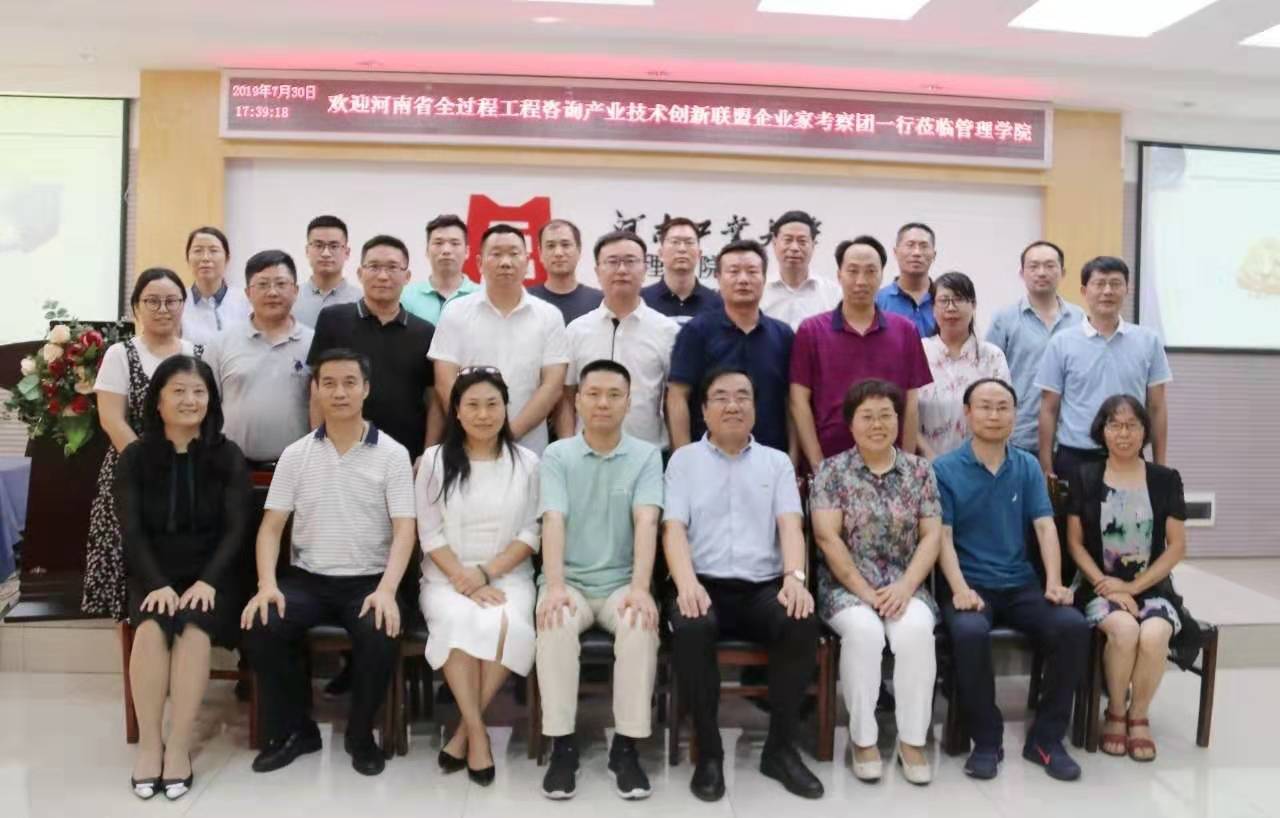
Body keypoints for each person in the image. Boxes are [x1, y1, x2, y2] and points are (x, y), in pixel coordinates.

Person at [241, 349, 416, 777]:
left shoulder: (392, 454)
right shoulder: (296, 454)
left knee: (381, 629)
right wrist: (267, 585)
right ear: (316, 390)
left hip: (369, 581)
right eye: (330, 383)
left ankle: (360, 735)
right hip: (308, 580)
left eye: (350, 383)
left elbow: (405, 530)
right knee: (263, 624)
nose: (340, 392)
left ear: (366, 389)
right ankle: (297, 729)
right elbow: (270, 529)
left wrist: (387, 590)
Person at [664, 367, 822, 802]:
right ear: (703, 410)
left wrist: (795, 578)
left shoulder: (776, 462)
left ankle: (780, 748)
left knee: (800, 618)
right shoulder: (684, 461)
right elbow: (673, 529)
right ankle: (709, 753)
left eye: (742, 396)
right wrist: (686, 583)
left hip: (761, 587)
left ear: (755, 407)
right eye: (721, 397)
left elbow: (791, 526)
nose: (732, 405)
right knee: (691, 626)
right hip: (704, 583)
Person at [933, 378, 1089, 782]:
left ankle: (1046, 740)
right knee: (969, 633)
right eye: (985, 406)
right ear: (967, 413)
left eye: (1003, 407)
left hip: (1020, 584)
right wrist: (959, 590)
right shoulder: (944, 469)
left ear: (1015, 414)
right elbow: (942, 538)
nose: (994, 415)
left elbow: (1045, 526)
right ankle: (987, 740)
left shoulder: (1027, 466)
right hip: (970, 586)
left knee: (1072, 627)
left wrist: (1054, 582)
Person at [119, 355, 250, 801]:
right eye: (178, 391)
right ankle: (149, 746)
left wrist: (208, 581)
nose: (189, 400)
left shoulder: (227, 456)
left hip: (214, 575)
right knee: (150, 629)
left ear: (211, 400)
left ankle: (178, 748)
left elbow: (236, 530)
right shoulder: (135, 457)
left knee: (193, 629)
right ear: (157, 401)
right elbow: (132, 531)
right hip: (153, 572)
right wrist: (157, 583)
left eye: (198, 392)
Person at [534, 360, 662, 801]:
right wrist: (554, 587)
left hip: (622, 583)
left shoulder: (646, 456)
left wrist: (641, 589)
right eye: (593, 394)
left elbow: (647, 522)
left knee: (640, 624)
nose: (603, 403)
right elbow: (553, 520)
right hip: (567, 580)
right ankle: (562, 746)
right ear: (578, 401)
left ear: (629, 402)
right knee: (554, 622)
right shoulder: (557, 455)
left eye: (613, 394)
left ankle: (626, 748)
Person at [811, 378, 941, 785]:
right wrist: (866, 592)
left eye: (886, 415)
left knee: (916, 632)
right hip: (846, 588)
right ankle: (863, 738)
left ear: (899, 421)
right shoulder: (832, 471)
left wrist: (905, 587)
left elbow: (931, 537)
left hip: (905, 585)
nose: (878, 424)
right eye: (867, 416)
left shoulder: (920, 471)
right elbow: (827, 538)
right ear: (850, 423)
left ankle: (912, 740)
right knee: (865, 633)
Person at [416, 367, 540, 785]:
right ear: (456, 410)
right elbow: (429, 532)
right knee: (458, 621)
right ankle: (477, 734)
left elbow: (532, 532)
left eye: (492, 404)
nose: (483, 414)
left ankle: (462, 734)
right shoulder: (434, 461)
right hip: (445, 576)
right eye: (472, 405)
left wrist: (486, 573)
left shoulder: (527, 463)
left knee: (510, 624)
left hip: (508, 575)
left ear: (506, 408)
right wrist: (463, 579)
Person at [1066, 395, 1192, 762]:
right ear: (1102, 431)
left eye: (1132, 425)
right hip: (1098, 586)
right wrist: (1107, 586)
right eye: (1115, 425)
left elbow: (1176, 547)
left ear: (1144, 432)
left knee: (1155, 634)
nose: (1124, 434)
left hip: (1150, 588)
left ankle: (1139, 716)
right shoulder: (1085, 476)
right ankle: (1116, 712)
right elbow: (1074, 543)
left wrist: (1134, 587)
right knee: (1124, 630)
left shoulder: (1165, 479)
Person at [83, 268, 201, 621]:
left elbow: (205, 412)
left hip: (187, 470)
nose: (163, 309)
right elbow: (111, 419)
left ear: (183, 305)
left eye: (171, 301)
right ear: (137, 307)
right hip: (133, 470)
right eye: (152, 301)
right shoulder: (120, 353)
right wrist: (151, 465)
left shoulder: (196, 353)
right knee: (133, 565)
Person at [791, 235, 931, 471]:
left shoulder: (905, 330)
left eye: (870, 271)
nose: (861, 281)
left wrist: (905, 465)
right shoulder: (811, 331)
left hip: (890, 465)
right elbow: (798, 401)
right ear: (839, 275)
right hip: (830, 462)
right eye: (853, 271)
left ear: (881, 276)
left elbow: (911, 404)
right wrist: (818, 465)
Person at [430, 224, 569, 455]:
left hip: (529, 450)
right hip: (466, 447)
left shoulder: (549, 316)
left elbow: (552, 386)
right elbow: (445, 382)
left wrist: (508, 435)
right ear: (479, 263)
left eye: (514, 254)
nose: (505, 262)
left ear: (527, 261)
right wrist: (478, 434)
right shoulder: (455, 311)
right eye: (496, 254)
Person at [1035, 256, 1172, 484]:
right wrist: (1046, 466)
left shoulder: (1149, 341)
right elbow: (1049, 408)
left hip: (1129, 456)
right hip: (1075, 456)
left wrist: (1160, 466)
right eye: (1099, 284)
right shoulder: (1061, 342)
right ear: (1084, 291)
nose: (1107, 291)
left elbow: (1157, 408)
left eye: (1115, 284)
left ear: (1127, 289)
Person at [307, 234, 437, 461]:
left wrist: (428, 455)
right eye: (374, 267)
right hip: (342, 452)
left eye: (392, 268)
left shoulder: (424, 331)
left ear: (407, 276)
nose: (383, 276)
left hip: (406, 454)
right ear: (360, 273)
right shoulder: (333, 320)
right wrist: (319, 447)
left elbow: (433, 399)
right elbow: (318, 388)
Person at [667, 239, 793, 453]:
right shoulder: (696, 331)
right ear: (718, 278)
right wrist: (684, 458)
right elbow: (678, 395)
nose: (743, 279)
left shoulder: (783, 335)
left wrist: (792, 457)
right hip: (708, 456)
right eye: (733, 272)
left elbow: (791, 401)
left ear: (764, 278)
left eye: (752, 272)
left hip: (771, 457)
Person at [557, 230, 679, 447]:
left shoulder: (667, 331)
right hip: (584, 452)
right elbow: (566, 397)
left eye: (630, 261)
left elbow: (675, 399)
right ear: (597, 271)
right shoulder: (576, 330)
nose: (622, 270)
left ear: (645, 269)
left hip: (647, 453)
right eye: (612, 262)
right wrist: (567, 449)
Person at [204, 249, 314, 465]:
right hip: (233, 468)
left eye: (281, 284)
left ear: (295, 291)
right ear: (248, 293)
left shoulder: (313, 343)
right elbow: (206, 408)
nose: (272, 292)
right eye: (262, 284)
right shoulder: (220, 343)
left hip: (298, 468)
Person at [985, 241, 1084, 456]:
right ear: (1022, 273)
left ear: (1063, 272)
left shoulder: (1080, 319)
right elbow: (988, 375)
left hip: (1069, 436)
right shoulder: (1004, 319)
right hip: (1017, 433)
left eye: (1049, 266)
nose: (1041, 272)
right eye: (1034, 266)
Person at [918, 272, 1011, 459]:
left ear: (973, 305)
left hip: (980, 462)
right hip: (927, 462)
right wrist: (931, 459)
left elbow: (1004, 411)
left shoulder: (992, 356)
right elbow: (906, 412)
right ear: (933, 308)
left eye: (959, 299)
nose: (951, 308)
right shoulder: (919, 351)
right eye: (944, 300)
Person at [760, 210, 841, 329]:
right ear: (774, 243)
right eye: (788, 240)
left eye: (802, 241)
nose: (794, 248)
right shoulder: (759, 292)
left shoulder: (833, 294)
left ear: (813, 245)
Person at [401, 214, 481, 326]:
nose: (446, 250)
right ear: (427, 250)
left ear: (467, 251)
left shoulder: (481, 297)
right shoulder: (405, 296)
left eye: (454, 243)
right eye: (438, 243)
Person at [641, 216, 723, 324]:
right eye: (675, 242)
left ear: (699, 254)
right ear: (660, 254)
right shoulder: (640, 301)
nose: (682, 249)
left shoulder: (717, 303)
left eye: (689, 242)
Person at [181, 226, 250, 347]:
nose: (205, 258)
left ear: (227, 258)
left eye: (213, 251)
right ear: (187, 258)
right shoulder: (178, 301)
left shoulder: (246, 301)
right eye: (198, 251)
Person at [528, 219, 603, 325]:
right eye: (550, 246)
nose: (558, 253)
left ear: (579, 250)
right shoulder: (527, 301)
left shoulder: (600, 302)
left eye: (565, 245)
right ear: (540, 253)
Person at [294, 215, 361, 328]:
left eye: (334, 246)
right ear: (307, 250)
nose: (326, 253)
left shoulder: (361, 301)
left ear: (347, 252)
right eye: (318, 245)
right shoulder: (290, 299)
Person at [876, 222, 938, 338]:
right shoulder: (877, 301)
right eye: (910, 245)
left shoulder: (944, 300)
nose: (917, 253)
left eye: (924, 246)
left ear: (934, 255)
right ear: (895, 252)